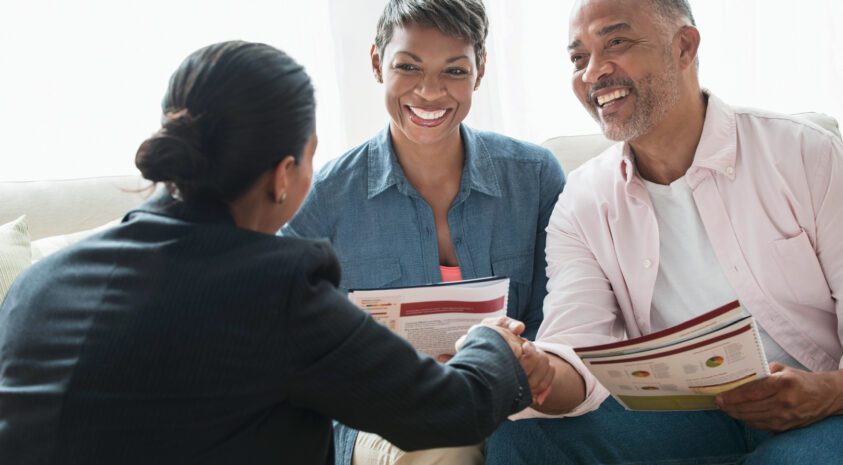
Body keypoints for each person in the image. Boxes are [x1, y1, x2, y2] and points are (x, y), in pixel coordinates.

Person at [0, 40, 543, 465]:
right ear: (285, 174)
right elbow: (453, 410)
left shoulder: (38, 284)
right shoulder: (276, 287)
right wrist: (492, 342)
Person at [484, 0, 843, 464]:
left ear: (684, 46)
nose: (593, 73)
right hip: (682, 416)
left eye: (616, 42)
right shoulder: (581, 200)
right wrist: (536, 371)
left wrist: (829, 392)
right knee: (518, 439)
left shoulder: (806, 153)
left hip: (821, 406)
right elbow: (576, 353)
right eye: (578, 58)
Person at [281, 1, 563, 464]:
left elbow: (561, 315)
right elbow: (280, 330)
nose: (430, 92)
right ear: (377, 63)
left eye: (453, 70)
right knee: (446, 450)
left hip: (515, 397)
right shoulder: (325, 195)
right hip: (383, 418)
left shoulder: (533, 176)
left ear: (480, 70)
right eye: (408, 67)